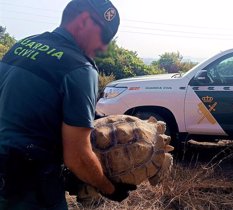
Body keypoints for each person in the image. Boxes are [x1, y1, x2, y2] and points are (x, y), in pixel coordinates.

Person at [0, 0, 135, 209]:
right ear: (83, 21)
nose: (103, 47)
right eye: (104, 37)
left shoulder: (22, 45)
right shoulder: (79, 68)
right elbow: (77, 158)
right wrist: (110, 189)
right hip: (27, 187)